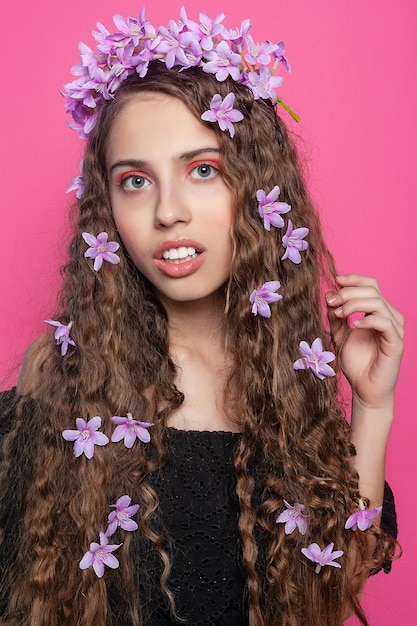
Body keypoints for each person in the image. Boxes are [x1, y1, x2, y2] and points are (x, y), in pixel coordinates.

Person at [0, 7, 404, 626]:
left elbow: (331, 584)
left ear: (256, 186)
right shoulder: (62, 375)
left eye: (203, 170)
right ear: (106, 209)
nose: (168, 213)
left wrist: (372, 405)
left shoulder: (290, 378)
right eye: (135, 181)